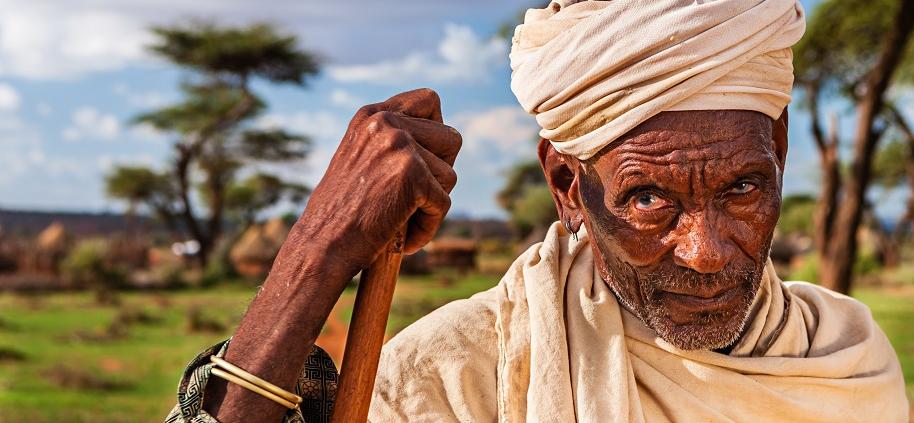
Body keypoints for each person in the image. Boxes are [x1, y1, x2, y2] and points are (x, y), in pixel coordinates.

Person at [165, 1, 909, 422]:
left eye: (743, 188)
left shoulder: (847, 361)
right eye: (649, 197)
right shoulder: (458, 379)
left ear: (779, 147)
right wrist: (319, 248)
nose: (708, 249)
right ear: (564, 184)